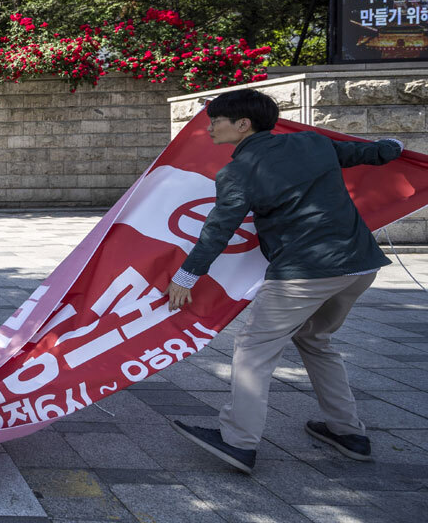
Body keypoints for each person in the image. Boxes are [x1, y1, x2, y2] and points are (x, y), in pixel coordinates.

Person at [167, 89, 403, 472]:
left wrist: (185, 276)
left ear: (243, 124)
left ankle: (238, 441)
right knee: (314, 339)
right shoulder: (312, 142)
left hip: (304, 274)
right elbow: (369, 153)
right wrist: (394, 146)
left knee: (253, 350)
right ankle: (348, 432)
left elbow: (218, 229)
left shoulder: (238, 172)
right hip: (360, 266)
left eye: (216, 121)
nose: (210, 128)